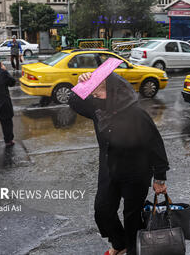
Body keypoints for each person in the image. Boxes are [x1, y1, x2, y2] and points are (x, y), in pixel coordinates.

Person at [69, 71, 169, 255]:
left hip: (135, 172)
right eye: (93, 95)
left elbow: (155, 145)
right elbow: (74, 102)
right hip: (109, 170)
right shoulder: (100, 109)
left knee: (132, 217)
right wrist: (81, 84)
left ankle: (132, 250)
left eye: (98, 94)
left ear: (113, 91)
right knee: (103, 210)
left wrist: (160, 177)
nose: (95, 98)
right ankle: (119, 242)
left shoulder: (136, 114)